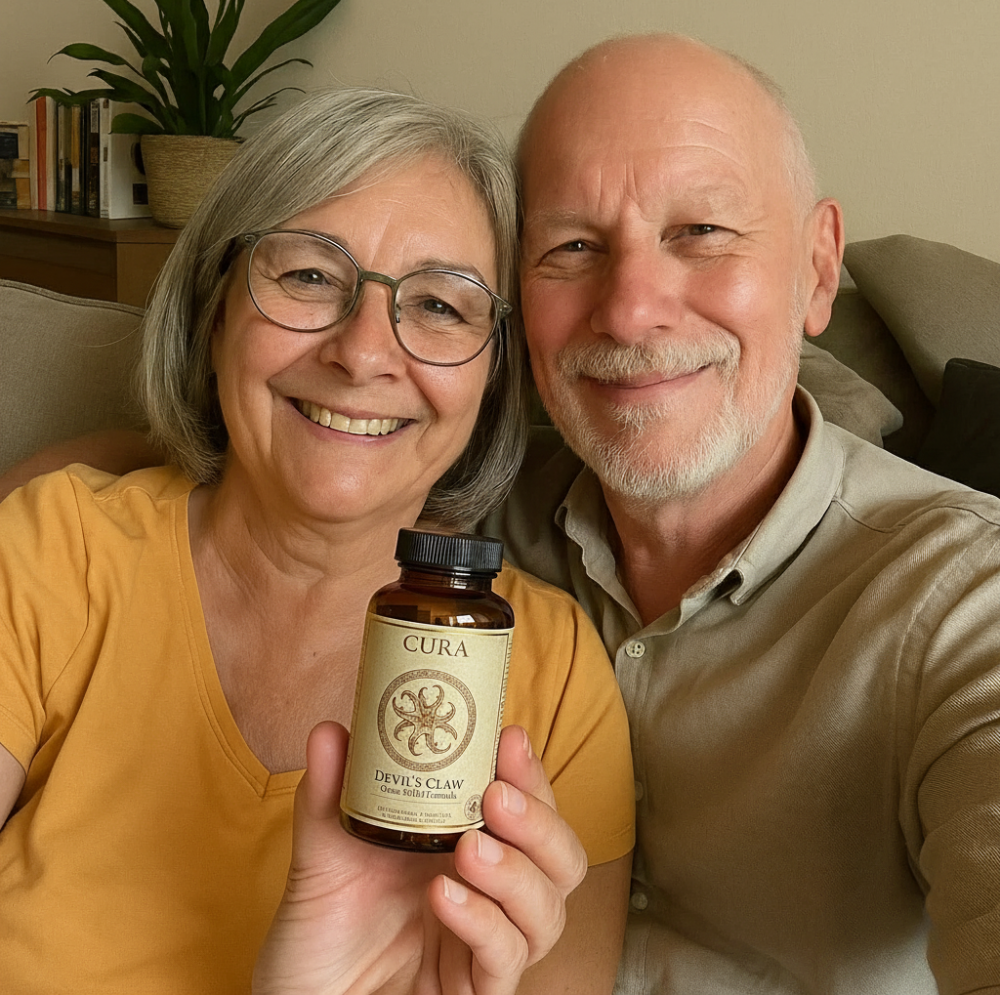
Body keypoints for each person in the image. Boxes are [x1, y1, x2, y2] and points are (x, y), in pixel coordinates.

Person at [0, 88, 635, 994]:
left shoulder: (556, 677)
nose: (364, 352)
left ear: (494, 380)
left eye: (440, 305)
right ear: (216, 309)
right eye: (307, 277)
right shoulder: (53, 549)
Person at [482, 33, 1000, 994]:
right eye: (572, 247)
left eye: (701, 232)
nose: (629, 310)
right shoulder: (462, 529)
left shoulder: (965, 599)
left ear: (817, 268)